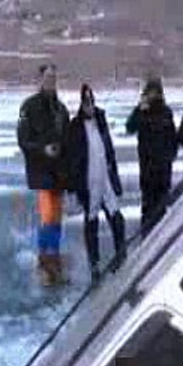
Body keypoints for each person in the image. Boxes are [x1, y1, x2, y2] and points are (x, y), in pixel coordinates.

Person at [17, 63, 70, 286]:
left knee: (56, 220)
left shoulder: (60, 109)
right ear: (39, 80)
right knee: (47, 218)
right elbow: (23, 140)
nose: (51, 82)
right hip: (41, 171)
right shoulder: (29, 107)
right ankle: (45, 262)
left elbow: (67, 140)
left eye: (54, 79)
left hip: (59, 172)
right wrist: (43, 149)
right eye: (47, 78)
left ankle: (54, 259)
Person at [66, 84, 126, 284]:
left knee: (116, 216)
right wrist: (74, 187)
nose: (89, 106)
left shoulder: (101, 120)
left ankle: (121, 254)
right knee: (91, 220)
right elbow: (73, 158)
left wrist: (114, 177)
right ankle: (95, 265)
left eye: (91, 102)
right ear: (82, 104)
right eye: (86, 103)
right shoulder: (75, 127)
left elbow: (109, 150)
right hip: (89, 181)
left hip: (105, 177)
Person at [126, 76, 177, 237]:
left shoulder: (166, 113)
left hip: (163, 172)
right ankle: (146, 240)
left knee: (161, 211)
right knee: (148, 210)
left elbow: (173, 138)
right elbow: (130, 127)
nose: (154, 96)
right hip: (147, 172)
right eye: (151, 93)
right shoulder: (142, 112)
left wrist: (169, 157)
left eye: (157, 92)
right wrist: (139, 109)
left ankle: (160, 241)